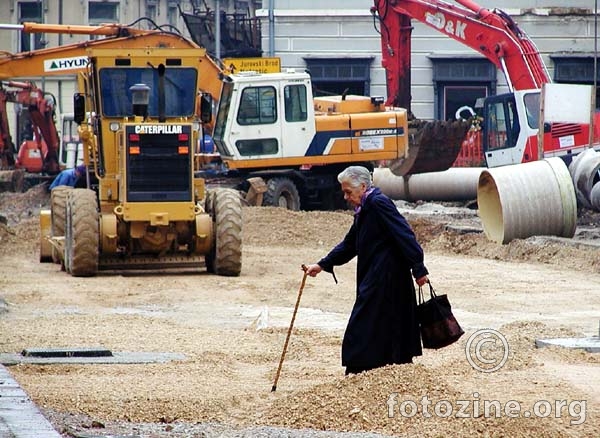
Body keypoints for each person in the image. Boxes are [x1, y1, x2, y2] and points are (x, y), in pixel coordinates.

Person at [305, 165, 429, 375]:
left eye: (348, 192)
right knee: (382, 322)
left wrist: (419, 268)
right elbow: (351, 243)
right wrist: (322, 264)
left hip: (388, 277)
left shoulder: (378, 203)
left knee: (364, 324)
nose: (345, 197)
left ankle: (360, 371)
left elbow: (405, 234)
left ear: (362, 187)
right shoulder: (364, 208)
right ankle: (383, 368)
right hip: (377, 275)